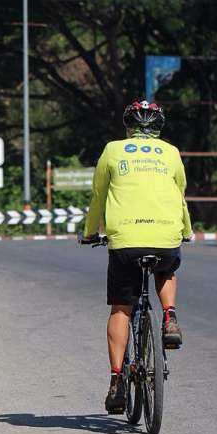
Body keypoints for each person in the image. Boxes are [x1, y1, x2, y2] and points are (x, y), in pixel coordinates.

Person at [83, 100, 193, 414]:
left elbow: (99, 196)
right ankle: (169, 316)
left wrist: (91, 233)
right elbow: (179, 196)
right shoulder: (170, 153)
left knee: (121, 309)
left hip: (126, 241)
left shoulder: (112, 150)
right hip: (165, 235)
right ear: (159, 128)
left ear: (128, 127)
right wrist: (184, 231)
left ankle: (117, 381)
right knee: (166, 268)